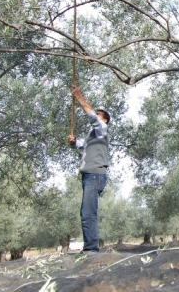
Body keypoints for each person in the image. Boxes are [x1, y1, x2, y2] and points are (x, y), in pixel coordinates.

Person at [67, 84, 111, 253]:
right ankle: (90, 247)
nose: (95, 116)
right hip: (89, 177)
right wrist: (74, 143)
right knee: (86, 212)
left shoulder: (102, 129)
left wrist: (79, 97)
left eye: (99, 115)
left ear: (104, 120)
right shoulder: (92, 137)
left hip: (94, 176)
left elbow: (92, 116)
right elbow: (81, 147)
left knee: (88, 213)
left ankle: (91, 249)